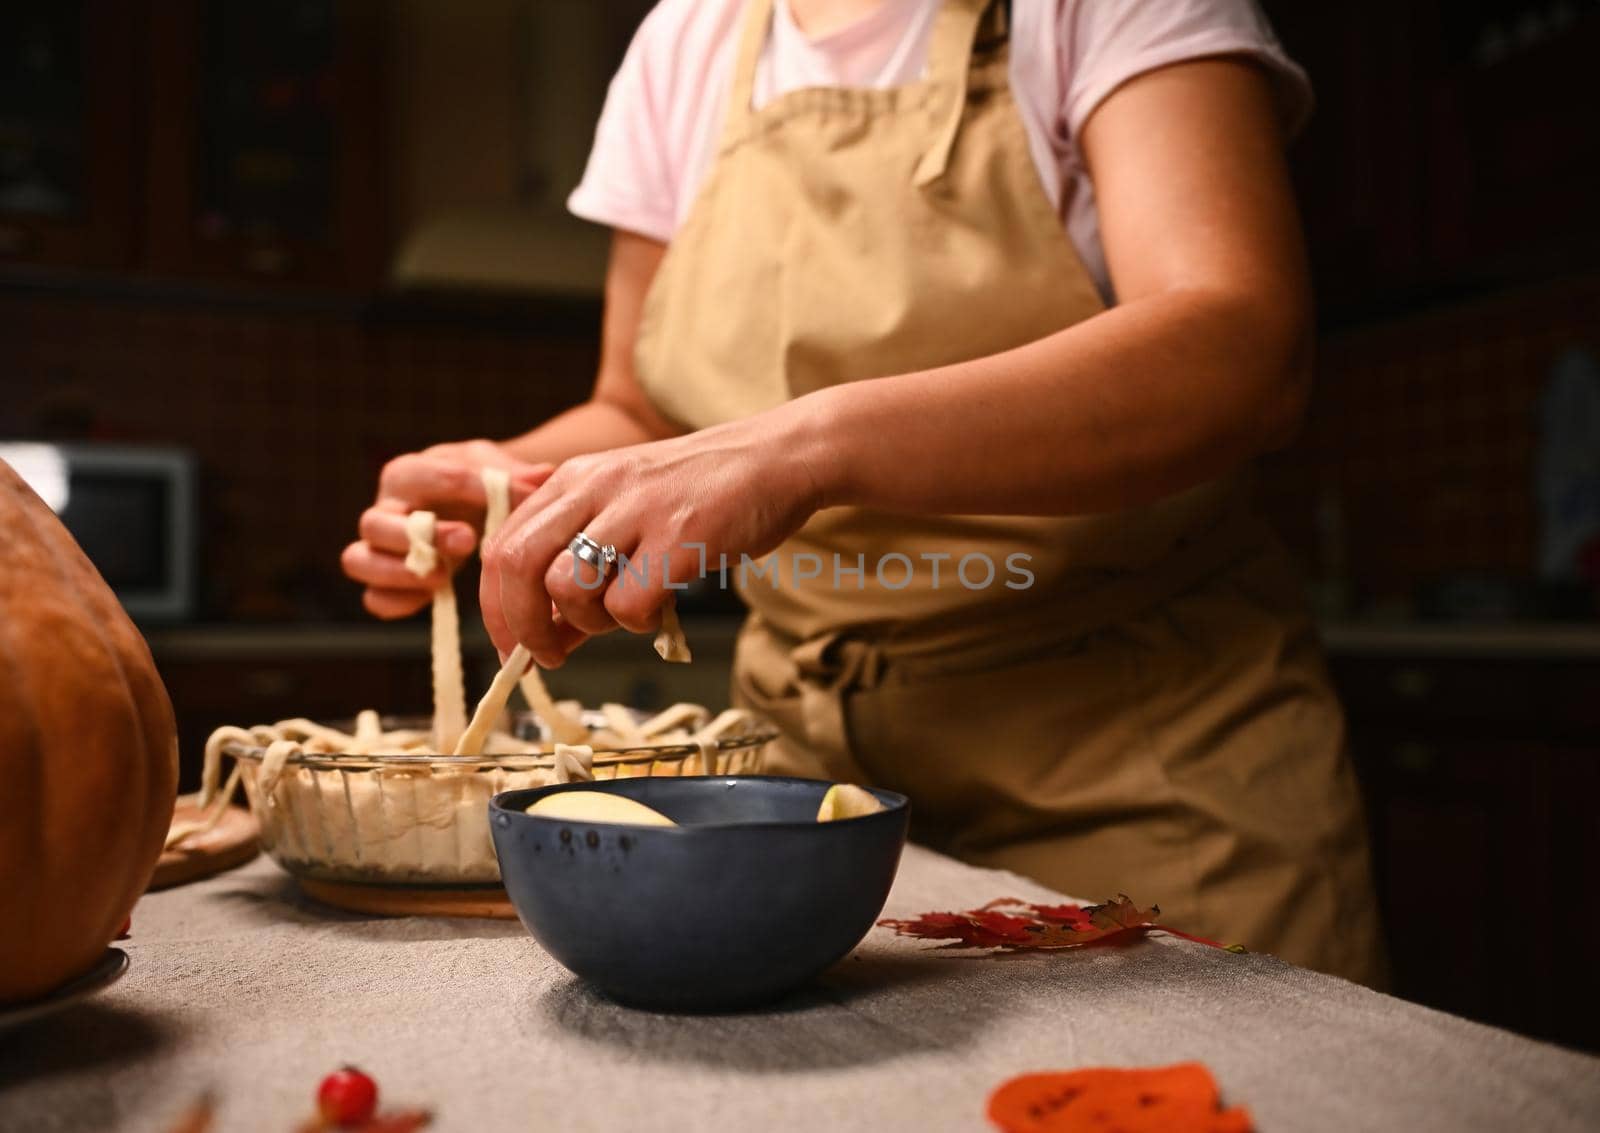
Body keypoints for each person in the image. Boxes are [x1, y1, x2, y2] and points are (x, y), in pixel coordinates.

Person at [343, 0, 1385, 985]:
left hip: (1144, 751)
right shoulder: (687, 38)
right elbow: (644, 411)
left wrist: (808, 444)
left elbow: (1240, 350)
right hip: (804, 773)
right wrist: (520, 488)